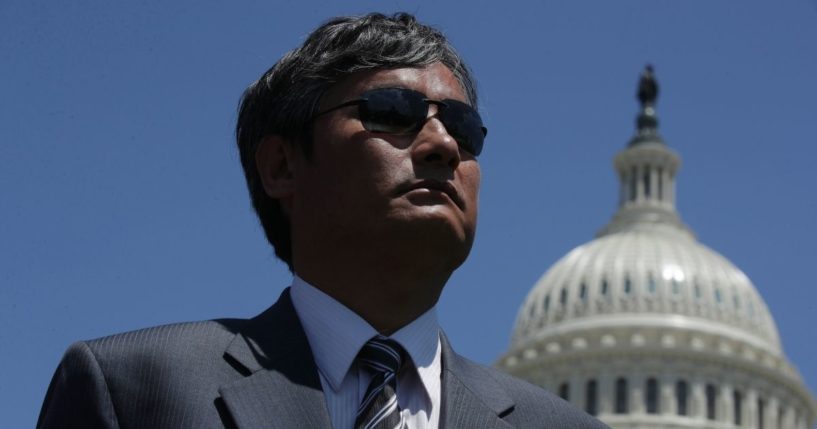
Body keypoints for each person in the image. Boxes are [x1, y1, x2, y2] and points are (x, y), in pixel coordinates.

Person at [38, 12, 608, 429]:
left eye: (463, 128)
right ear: (282, 165)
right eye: (393, 113)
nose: (442, 144)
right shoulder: (133, 392)